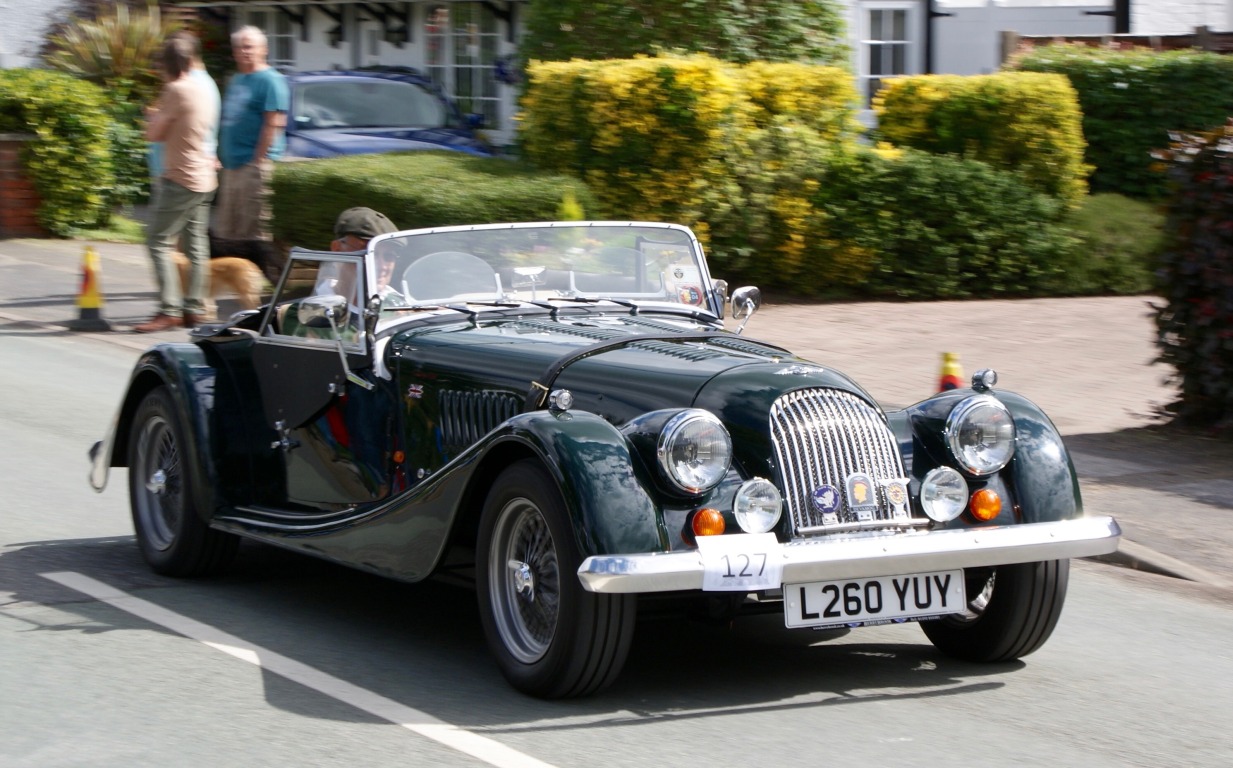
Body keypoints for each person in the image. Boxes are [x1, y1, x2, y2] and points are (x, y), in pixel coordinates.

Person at [135, 33, 220, 333]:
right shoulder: (205, 87)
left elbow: (153, 134)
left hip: (180, 178)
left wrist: (153, 117)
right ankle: (195, 307)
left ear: (165, 64)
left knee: (156, 240)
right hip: (205, 178)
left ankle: (169, 308)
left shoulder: (175, 89)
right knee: (196, 245)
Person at [215, 25, 289, 283]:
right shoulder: (237, 79)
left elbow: (274, 122)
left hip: (252, 165)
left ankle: (261, 282)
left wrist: (259, 159)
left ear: (263, 49)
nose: (243, 52)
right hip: (232, 165)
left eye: (249, 46)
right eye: (239, 47)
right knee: (229, 230)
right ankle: (236, 280)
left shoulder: (271, 80)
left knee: (253, 232)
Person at [146, 30, 220, 208]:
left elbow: (200, 131)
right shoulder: (199, 83)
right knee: (190, 235)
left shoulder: (185, 85)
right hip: (187, 173)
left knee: (160, 234)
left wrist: (155, 117)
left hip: (179, 175)